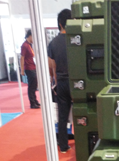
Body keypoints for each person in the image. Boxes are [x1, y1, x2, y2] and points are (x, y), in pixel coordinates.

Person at [47, 9, 73, 153]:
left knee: (62, 116)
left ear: (60, 24)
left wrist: (55, 83)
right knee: (82, 112)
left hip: (62, 82)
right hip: (78, 82)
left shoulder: (53, 43)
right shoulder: (77, 39)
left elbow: (52, 66)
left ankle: (63, 145)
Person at [20, 30, 40, 109]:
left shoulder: (29, 45)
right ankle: (32, 103)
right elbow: (22, 58)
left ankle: (35, 100)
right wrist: (22, 69)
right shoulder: (24, 45)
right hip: (29, 67)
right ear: (29, 36)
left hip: (33, 66)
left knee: (34, 84)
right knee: (31, 85)